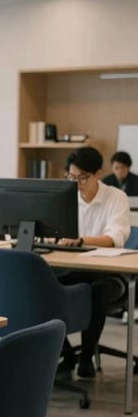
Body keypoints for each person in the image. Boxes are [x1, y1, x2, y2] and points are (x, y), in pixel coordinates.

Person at [56, 146, 130, 379]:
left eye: (82, 178)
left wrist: (79, 241)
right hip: (71, 269)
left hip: (108, 275)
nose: (75, 183)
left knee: (95, 291)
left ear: (98, 174)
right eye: (71, 177)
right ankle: (66, 353)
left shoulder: (115, 197)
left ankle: (86, 357)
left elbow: (114, 237)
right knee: (38, 285)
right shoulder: (65, 196)